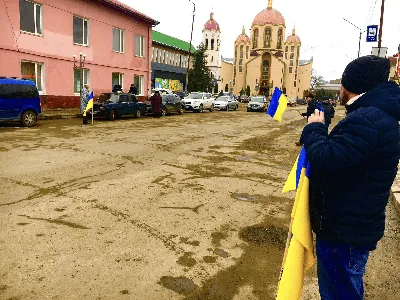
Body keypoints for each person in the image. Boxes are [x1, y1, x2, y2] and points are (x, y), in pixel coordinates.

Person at [300, 55, 400, 299]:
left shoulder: (367, 120)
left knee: (340, 292)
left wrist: (315, 128)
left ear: (349, 86)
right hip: (353, 226)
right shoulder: (376, 115)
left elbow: (327, 159)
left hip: (344, 231)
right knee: (346, 288)